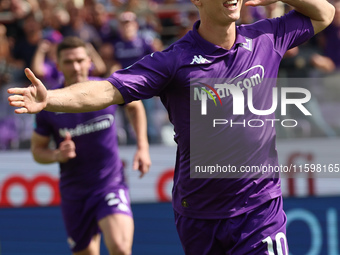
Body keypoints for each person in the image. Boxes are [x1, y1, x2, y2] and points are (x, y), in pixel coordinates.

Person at [8, 0, 335, 254]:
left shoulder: (266, 37)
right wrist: (49, 98)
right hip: (199, 215)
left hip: (259, 208)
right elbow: (106, 90)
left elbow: (323, 13)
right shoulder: (173, 61)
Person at [28, 36, 151, 255]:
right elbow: (37, 151)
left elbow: (135, 106)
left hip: (109, 184)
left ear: (89, 62)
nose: (75, 66)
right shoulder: (49, 103)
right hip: (75, 193)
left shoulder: (106, 90)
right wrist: (57, 155)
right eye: (68, 61)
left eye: (80, 60)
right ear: (58, 65)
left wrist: (142, 146)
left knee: (121, 248)